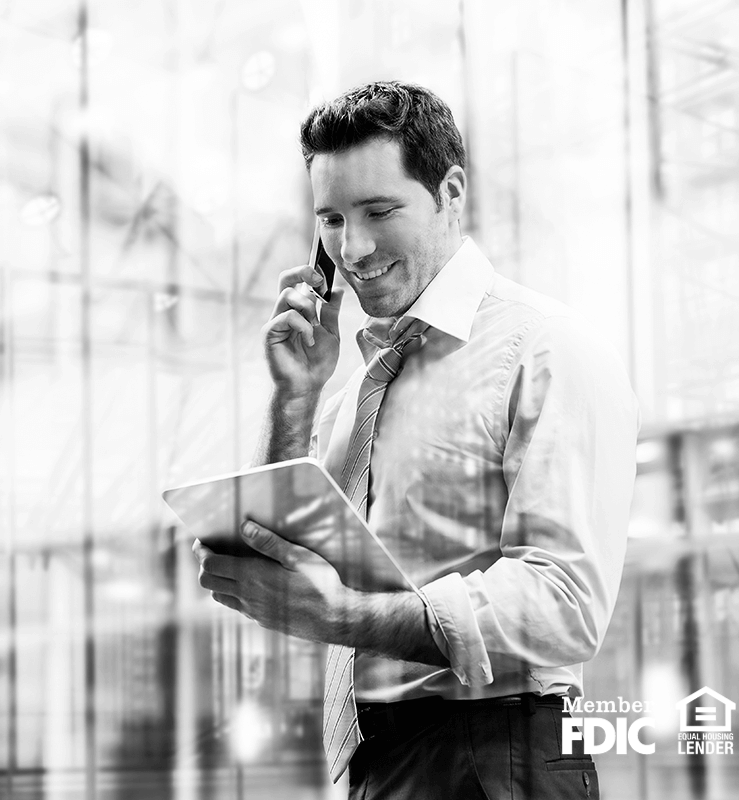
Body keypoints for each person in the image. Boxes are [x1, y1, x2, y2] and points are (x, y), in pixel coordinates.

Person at [192, 81, 639, 799]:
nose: (353, 248)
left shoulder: (546, 350)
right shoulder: (352, 388)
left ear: (450, 190)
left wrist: (342, 617)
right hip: (378, 758)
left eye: (379, 211)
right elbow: (275, 545)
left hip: (497, 750)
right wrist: (293, 396)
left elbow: (566, 602)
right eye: (331, 220)